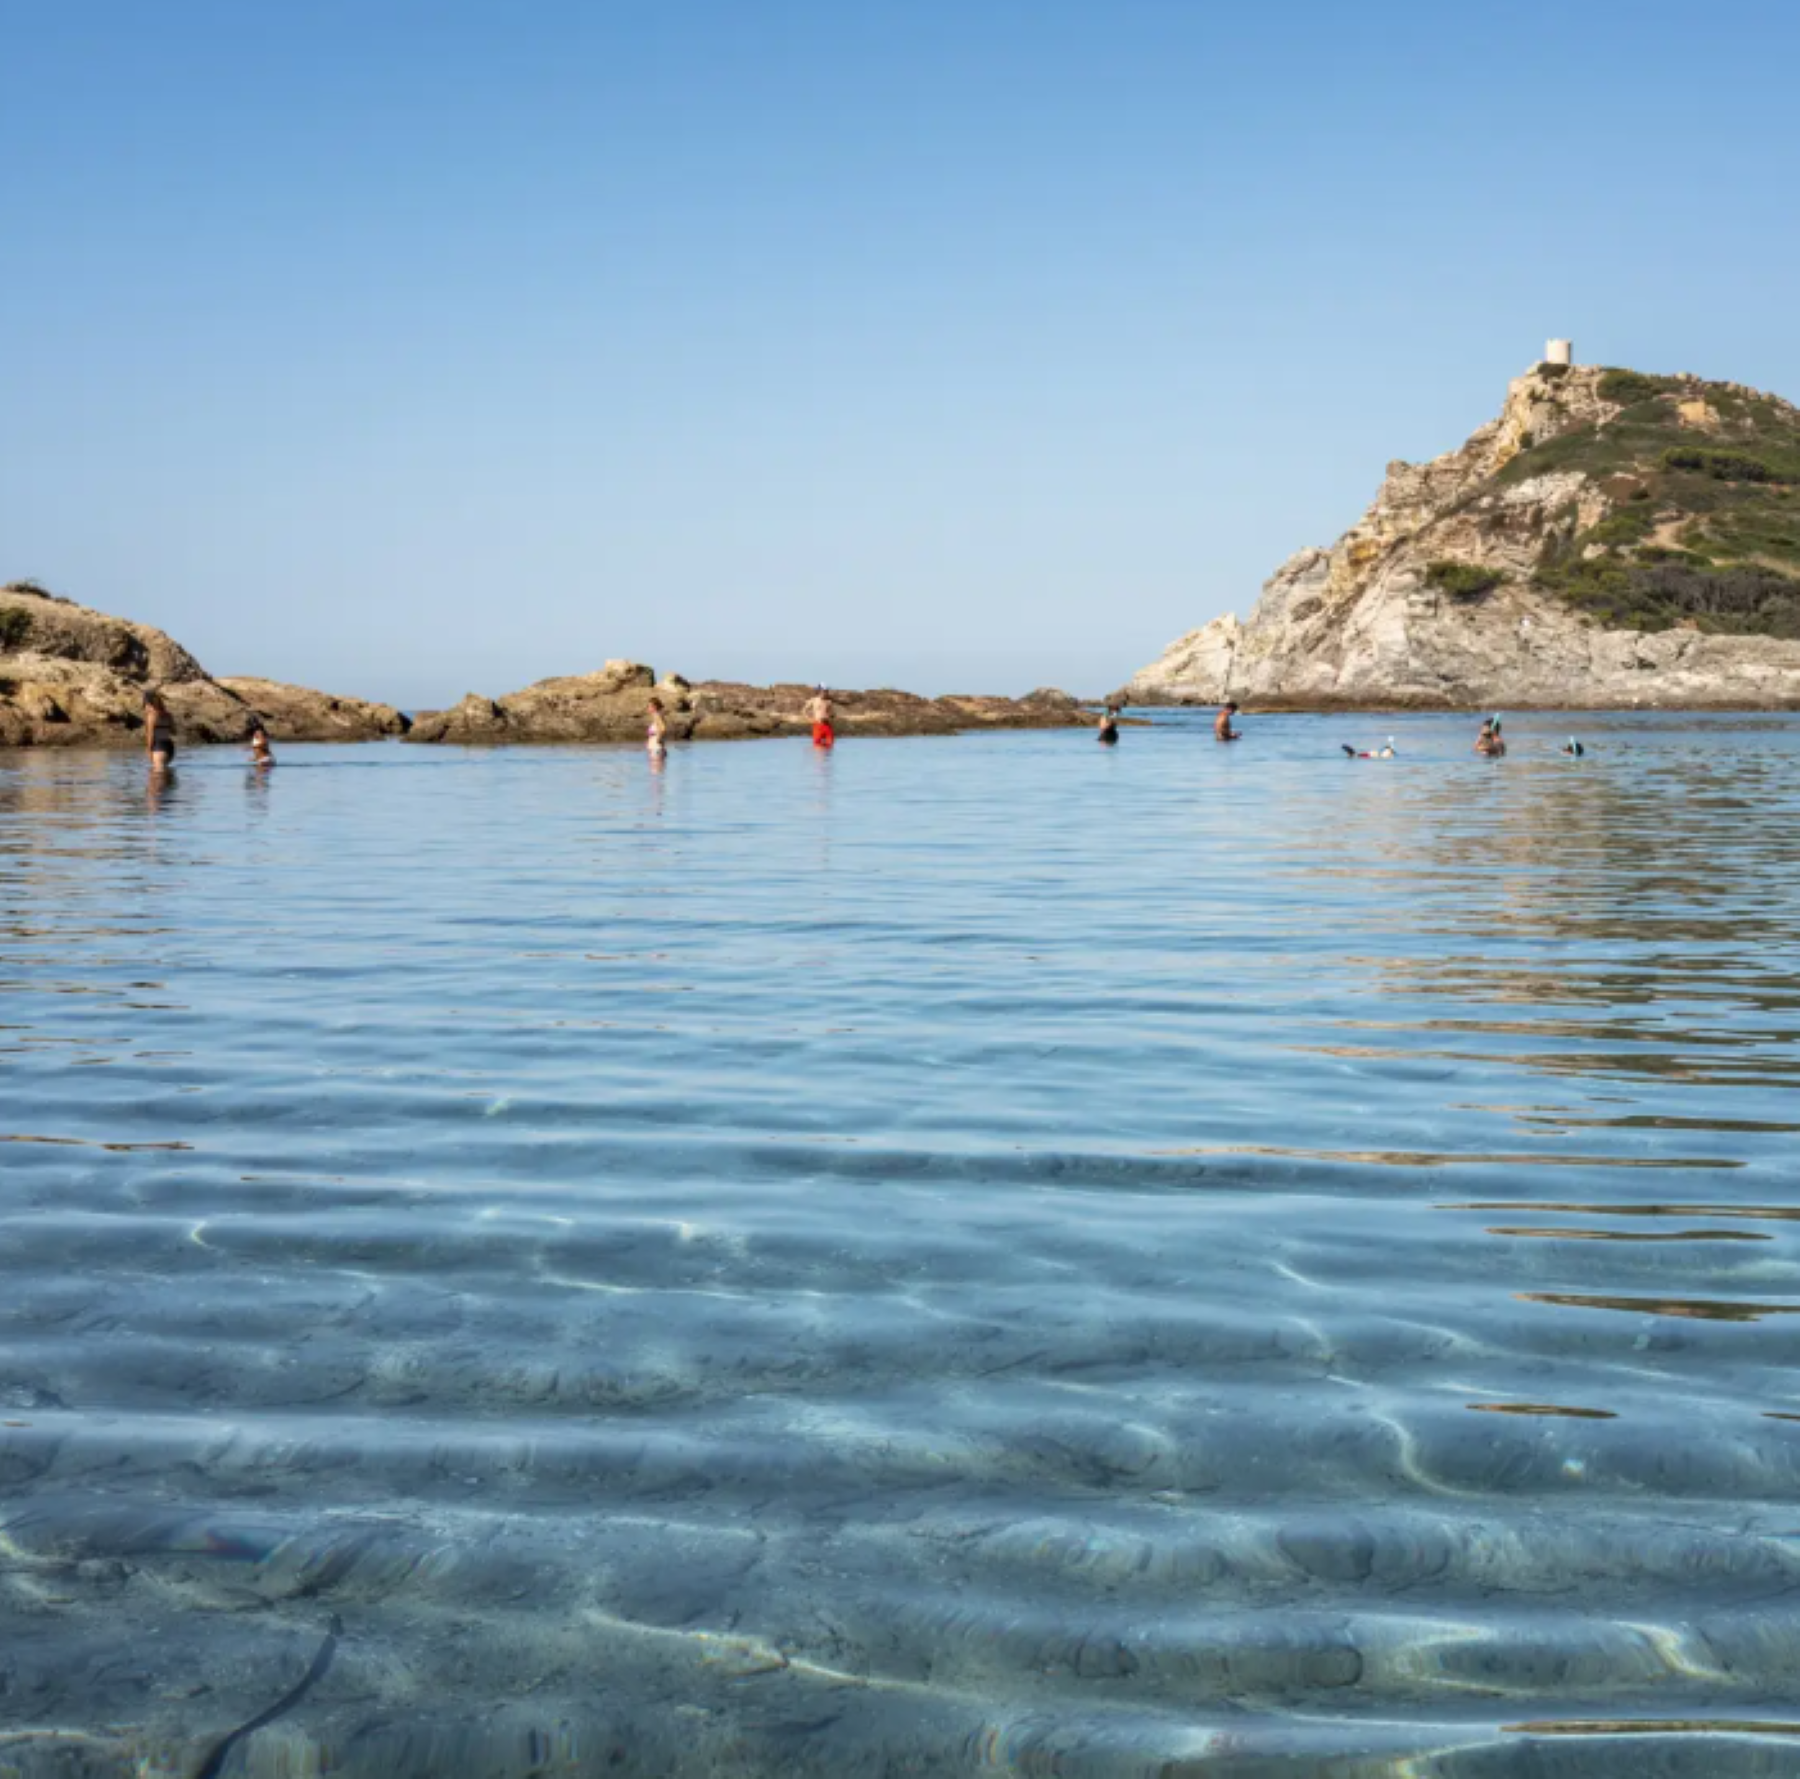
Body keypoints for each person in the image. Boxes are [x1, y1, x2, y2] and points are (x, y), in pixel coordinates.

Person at [144, 690, 176, 771]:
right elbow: (174, 731)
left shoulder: (151, 716)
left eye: (145, 705)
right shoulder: (168, 715)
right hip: (169, 747)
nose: (145, 708)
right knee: (165, 778)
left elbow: (150, 735)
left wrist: (148, 750)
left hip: (158, 747)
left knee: (157, 778)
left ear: (149, 704)